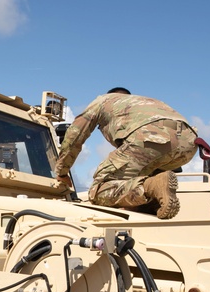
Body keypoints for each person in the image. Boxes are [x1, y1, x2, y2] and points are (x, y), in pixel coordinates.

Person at [55, 88, 198, 219]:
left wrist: (62, 172)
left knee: (98, 190)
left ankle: (152, 187)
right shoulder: (144, 102)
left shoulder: (102, 101)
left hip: (151, 136)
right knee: (130, 181)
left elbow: (75, 134)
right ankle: (151, 204)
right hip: (189, 144)